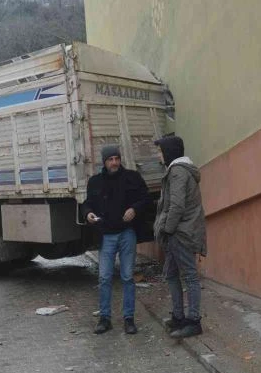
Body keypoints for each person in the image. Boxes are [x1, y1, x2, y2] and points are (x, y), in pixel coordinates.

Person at [82, 145, 151, 335]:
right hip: (106, 235)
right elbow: (87, 203)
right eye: (110, 159)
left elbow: (146, 198)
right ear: (104, 161)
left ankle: (129, 319)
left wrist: (134, 209)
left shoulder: (132, 178)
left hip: (127, 233)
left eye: (117, 158)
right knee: (104, 277)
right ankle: (105, 318)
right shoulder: (95, 182)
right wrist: (88, 213)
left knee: (127, 277)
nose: (114, 162)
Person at [153, 135, 207, 339]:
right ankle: (178, 317)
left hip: (180, 233)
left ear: (169, 152)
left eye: (160, 151)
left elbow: (176, 205)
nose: (159, 155)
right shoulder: (178, 170)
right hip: (179, 232)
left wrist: (167, 229)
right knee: (171, 274)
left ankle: (193, 321)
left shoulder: (177, 172)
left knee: (190, 276)